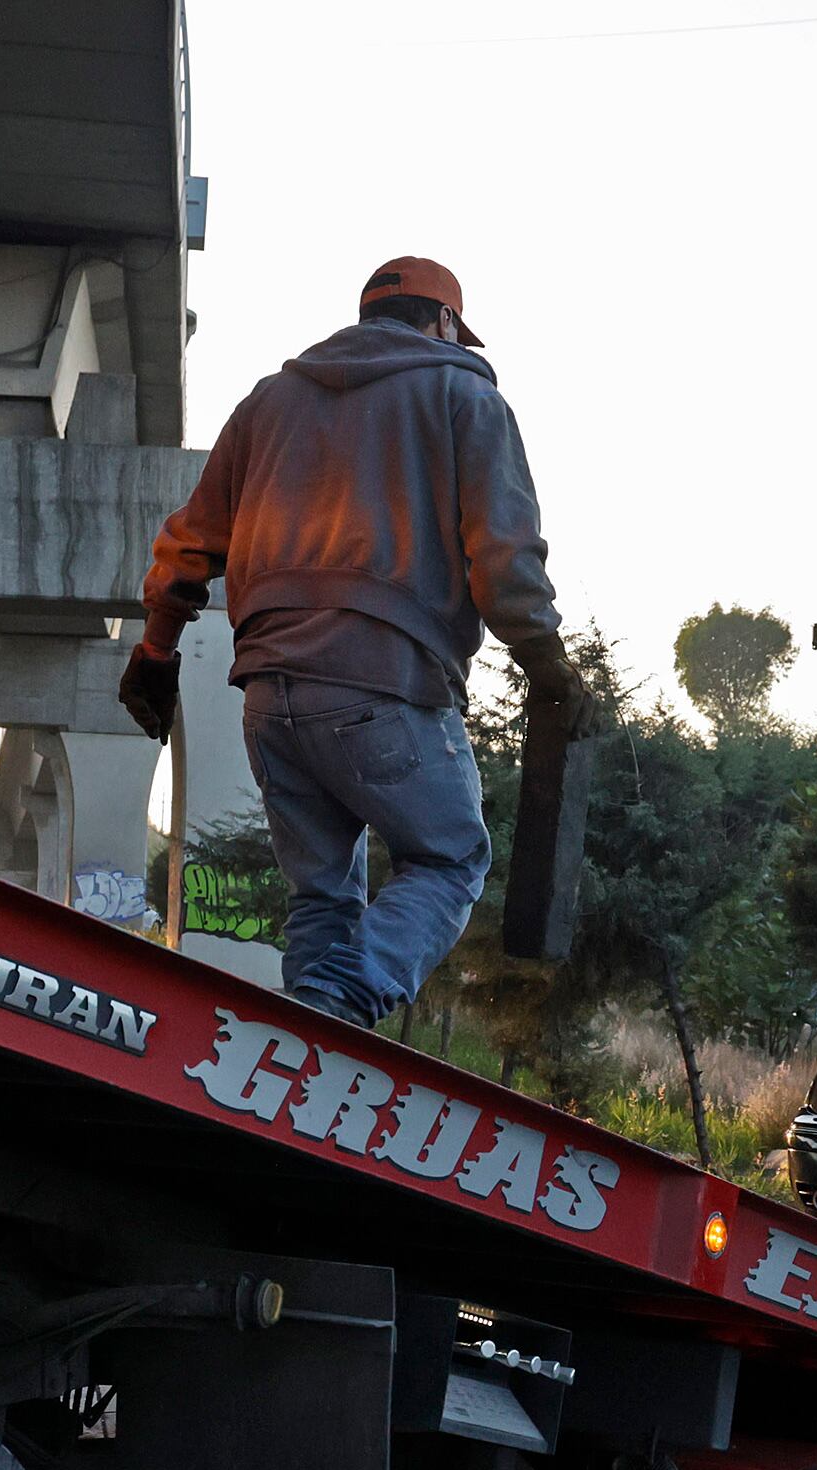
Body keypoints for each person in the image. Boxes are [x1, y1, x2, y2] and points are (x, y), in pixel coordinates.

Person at [124, 257, 596, 1029]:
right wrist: (549, 668)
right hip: (384, 684)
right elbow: (504, 560)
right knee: (449, 858)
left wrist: (155, 652)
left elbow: (189, 544)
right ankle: (341, 1005)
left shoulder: (266, 404)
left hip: (270, 695)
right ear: (443, 323)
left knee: (322, 894)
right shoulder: (463, 395)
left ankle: (301, 1066)